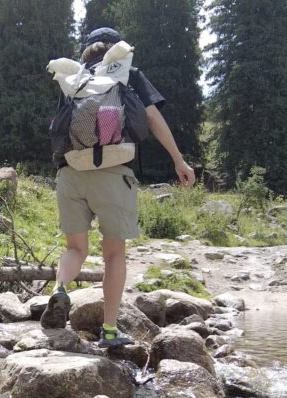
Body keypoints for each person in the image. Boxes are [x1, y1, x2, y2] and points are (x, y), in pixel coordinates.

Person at [40, 27, 196, 347]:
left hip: (70, 173)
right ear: (116, 49)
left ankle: (59, 289)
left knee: (75, 249)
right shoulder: (127, 73)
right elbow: (152, 118)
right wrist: (179, 160)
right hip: (113, 173)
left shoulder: (74, 77)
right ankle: (109, 331)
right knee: (113, 255)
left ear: (87, 51)